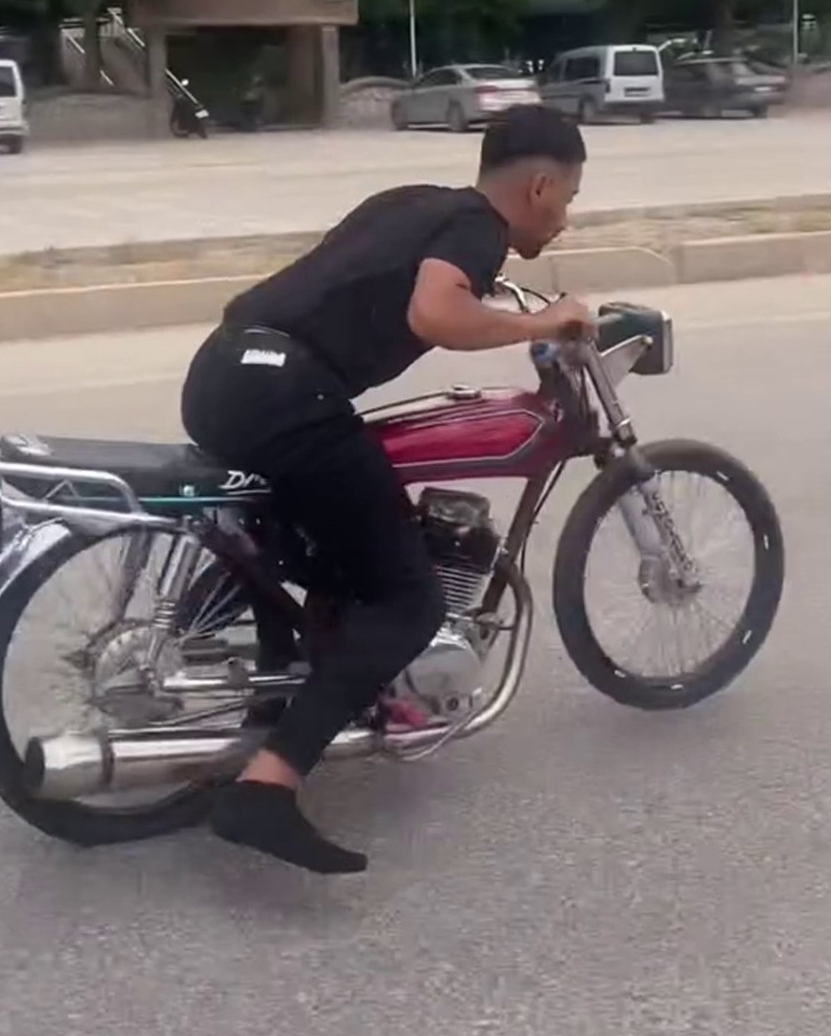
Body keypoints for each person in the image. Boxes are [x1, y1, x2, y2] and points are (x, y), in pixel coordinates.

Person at [181, 103, 592, 876]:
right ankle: (267, 788)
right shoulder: (479, 228)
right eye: (567, 197)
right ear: (539, 186)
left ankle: (325, 689)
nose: (565, 219)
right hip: (286, 396)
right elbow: (435, 311)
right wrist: (545, 326)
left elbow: (357, 283)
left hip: (223, 370)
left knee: (345, 549)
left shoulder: (412, 203)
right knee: (410, 597)